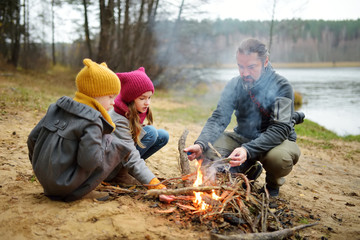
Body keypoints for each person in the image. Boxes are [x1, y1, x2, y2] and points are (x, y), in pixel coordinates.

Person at [184, 38, 302, 197]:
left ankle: (272, 186)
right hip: (243, 137)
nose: (244, 73)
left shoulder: (282, 86)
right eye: (241, 66)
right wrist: (201, 143)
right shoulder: (234, 84)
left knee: (278, 159)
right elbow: (219, 118)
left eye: (251, 67)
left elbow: (280, 129)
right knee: (208, 150)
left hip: (275, 142)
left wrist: (248, 149)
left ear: (265, 61)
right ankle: (250, 169)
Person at [27, 58, 130, 202]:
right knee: (114, 143)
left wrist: (41, 165)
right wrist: (104, 141)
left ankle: (62, 184)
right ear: (95, 94)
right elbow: (89, 162)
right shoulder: (92, 121)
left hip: (44, 178)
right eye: (111, 96)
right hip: (65, 185)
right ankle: (80, 191)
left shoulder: (57, 108)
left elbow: (32, 139)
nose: (113, 102)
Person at [108, 67, 171, 198]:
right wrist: (155, 185)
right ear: (130, 98)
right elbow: (130, 155)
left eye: (149, 97)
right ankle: (120, 175)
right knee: (151, 132)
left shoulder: (134, 110)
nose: (147, 103)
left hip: (122, 155)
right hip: (110, 168)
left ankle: (128, 172)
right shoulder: (118, 118)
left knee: (163, 135)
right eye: (142, 98)